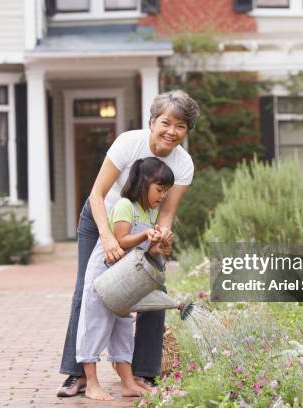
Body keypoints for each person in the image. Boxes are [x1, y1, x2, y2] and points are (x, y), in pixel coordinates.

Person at [57, 89, 199, 397]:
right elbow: (96, 194)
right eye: (166, 122)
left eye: (181, 126)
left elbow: (167, 213)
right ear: (152, 121)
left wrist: (160, 239)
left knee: (152, 291)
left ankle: (143, 374)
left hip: (141, 228)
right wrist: (108, 239)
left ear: (187, 131)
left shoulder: (183, 164)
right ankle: (77, 374)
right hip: (101, 219)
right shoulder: (127, 143)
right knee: (88, 291)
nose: (172, 132)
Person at [76, 157, 174, 400]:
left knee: (122, 328)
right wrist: (145, 235)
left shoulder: (148, 212)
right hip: (104, 275)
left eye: (166, 191)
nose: (162, 196)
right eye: (159, 190)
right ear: (143, 184)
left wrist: (159, 247)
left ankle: (128, 383)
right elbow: (120, 240)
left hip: (123, 280)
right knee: (95, 325)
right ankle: (91, 383)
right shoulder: (124, 206)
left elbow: (141, 251)